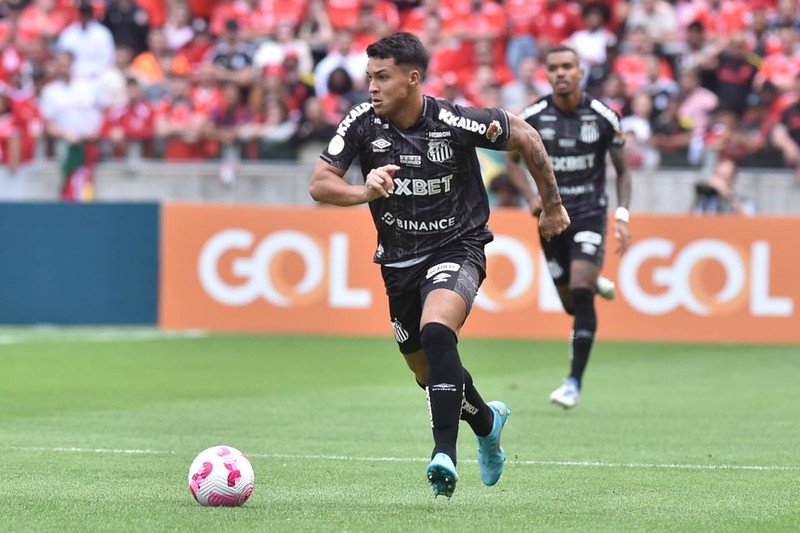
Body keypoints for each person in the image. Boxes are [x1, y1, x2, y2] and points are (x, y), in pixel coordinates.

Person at [309, 32, 569, 498]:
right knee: (427, 373)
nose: (371, 87)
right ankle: (488, 423)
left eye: (382, 77)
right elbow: (321, 184)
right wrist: (363, 192)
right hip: (398, 263)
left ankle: (443, 455)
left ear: (412, 79)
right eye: (369, 77)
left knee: (437, 332)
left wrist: (551, 206)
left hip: (458, 246)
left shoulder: (452, 119)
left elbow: (526, 136)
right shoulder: (362, 123)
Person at [506, 45, 632, 410]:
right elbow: (512, 163)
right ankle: (594, 280)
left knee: (578, 291)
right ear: (546, 74)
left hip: (590, 212)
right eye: (554, 68)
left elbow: (623, 171)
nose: (561, 73)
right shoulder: (531, 117)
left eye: (568, 67)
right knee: (569, 303)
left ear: (580, 73)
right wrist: (531, 197)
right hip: (551, 217)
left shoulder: (603, 116)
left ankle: (573, 382)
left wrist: (622, 215)